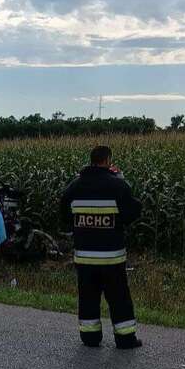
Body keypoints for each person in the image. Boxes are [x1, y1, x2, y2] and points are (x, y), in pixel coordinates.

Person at [60, 145, 142, 349]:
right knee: (119, 298)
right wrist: (122, 181)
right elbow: (132, 213)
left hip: (84, 257)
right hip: (111, 257)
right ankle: (125, 339)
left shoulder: (75, 186)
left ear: (92, 161)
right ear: (107, 161)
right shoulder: (118, 185)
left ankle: (90, 338)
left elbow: (63, 215)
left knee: (88, 298)